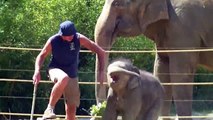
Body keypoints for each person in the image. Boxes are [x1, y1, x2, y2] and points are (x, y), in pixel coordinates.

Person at [32, 20, 105, 120]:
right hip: (55, 69)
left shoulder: (79, 38)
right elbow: (41, 56)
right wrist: (37, 71)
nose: (71, 37)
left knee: (71, 111)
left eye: (72, 34)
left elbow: (101, 52)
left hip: (72, 74)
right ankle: (49, 109)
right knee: (64, 78)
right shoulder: (53, 40)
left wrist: (101, 72)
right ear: (62, 34)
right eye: (68, 35)